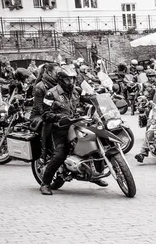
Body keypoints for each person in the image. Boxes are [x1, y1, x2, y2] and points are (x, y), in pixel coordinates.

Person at [39, 67, 107, 195]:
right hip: (58, 128)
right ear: (60, 80)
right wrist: (58, 116)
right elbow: (44, 114)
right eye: (67, 79)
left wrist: (99, 97)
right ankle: (45, 184)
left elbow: (90, 99)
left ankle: (95, 175)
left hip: (75, 124)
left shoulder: (76, 91)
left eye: (72, 79)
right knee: (59, 155)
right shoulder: (51, 94)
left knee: (93, 143)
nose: (70, 82)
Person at [30, 62, 60, 158]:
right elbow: (40, 107)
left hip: (56, 113)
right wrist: (52, 115)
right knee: (48, 123)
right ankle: (44, 151)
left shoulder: (59, 84)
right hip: (39, 116)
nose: (59, 74)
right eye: (57, 72)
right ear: (50, 73)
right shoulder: (40, 86)